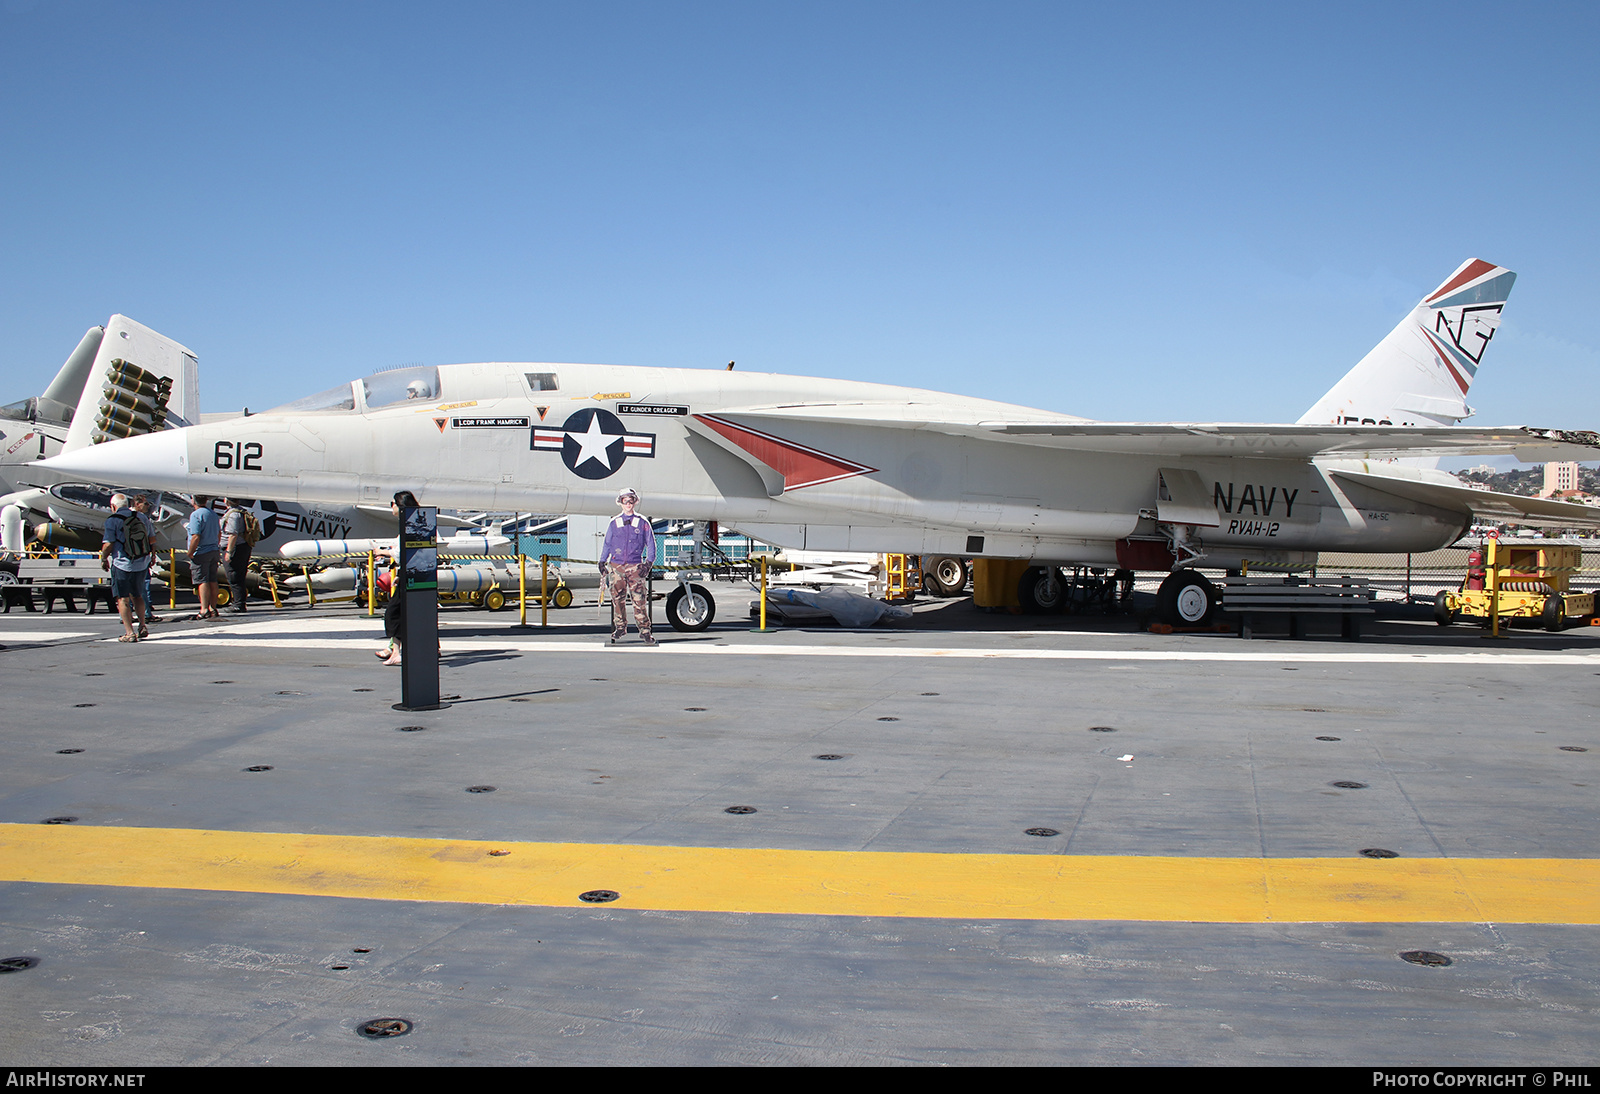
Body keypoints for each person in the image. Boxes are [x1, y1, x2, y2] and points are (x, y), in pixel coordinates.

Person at [600, 487, 657, 646]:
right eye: (625, 501)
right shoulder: (614, 523)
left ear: (634, 502)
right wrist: (602, 562)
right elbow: (607, 544)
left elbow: (651, 544)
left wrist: (648, 563)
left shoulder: (642, 522)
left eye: (631, 500)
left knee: (639, 599)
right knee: (617, 599)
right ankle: (620, 627)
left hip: (635, 567)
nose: (628, 504)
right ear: (620, 503)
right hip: (616, 566)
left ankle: (645, 631)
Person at [376, 490, 420, 665]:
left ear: (400, 505)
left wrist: (382, 551)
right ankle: (395, 651)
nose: (391, 507)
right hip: (413, 575)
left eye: (392, 503)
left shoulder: (409, 525)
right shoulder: (415, 522)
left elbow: (403, 552)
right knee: (409, 614)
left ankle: (395, 652)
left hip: (411, 576)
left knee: (394, 614)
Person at [99, 492, 151, 642]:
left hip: (122, 563)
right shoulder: (141, 517)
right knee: (137, 595)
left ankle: (129, 632)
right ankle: (142, 625)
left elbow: (109, 543)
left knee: (122, 598)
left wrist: (103, 558)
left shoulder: (112, 520)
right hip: (141, 563)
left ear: (113, 506)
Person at [186, 495, 222, 620]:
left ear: (193, 501)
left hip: (201, 551)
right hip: (213, 549)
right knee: (212, 579)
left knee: (202, 580)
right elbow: (219, 533)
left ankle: (204, 609)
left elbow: (196, 536)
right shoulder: (212, 514)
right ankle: (213, 607)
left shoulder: (195, 515)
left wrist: (190, 552)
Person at [220, 497, 257, 614]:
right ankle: (238, 602)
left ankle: (238, 604)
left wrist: (229, 552)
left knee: (234, 576)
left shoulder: (233, 515)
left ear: (226, 501)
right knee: (238, 576)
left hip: (236, 548)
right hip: (242, 547)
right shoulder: (240, 512)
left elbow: (233, 534)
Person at [131, 494, 162, 623]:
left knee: (126, 588)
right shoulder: (144, 519)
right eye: (145, 504)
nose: (148, 507)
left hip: (125, 557)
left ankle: (126, 614)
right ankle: (147, 613)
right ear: (138, 504)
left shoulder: (122, 518)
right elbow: (152, 539)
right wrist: (153, 555)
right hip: (141, 556)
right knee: (143, 585)